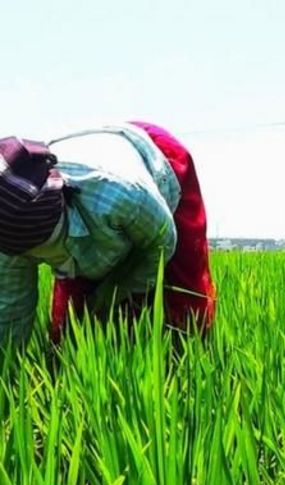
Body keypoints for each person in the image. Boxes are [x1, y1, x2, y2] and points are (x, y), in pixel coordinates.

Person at [0, 121, 216, 348]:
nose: (62, 268)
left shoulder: (124, 196)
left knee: (182, 309)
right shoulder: (7, 227)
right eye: (41, 259)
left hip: (156, 161)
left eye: (55, 249)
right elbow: (10, 315)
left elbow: (160, 246)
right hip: (95, 177)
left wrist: (119, 291)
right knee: (71, 333)